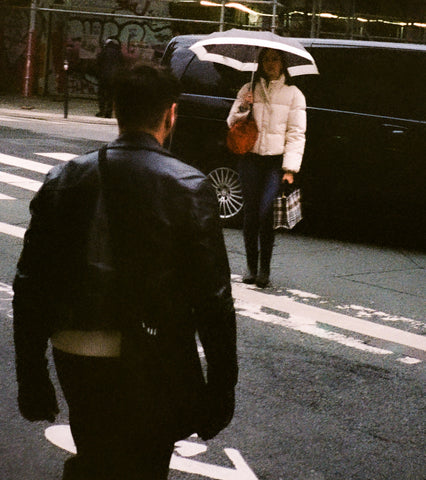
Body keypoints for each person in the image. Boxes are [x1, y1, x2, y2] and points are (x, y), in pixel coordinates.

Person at [13, 64, 238, 480]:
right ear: (171, 114)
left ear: (116, 109)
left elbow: (31, 281)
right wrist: (222, 389)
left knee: (94, 445)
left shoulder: (65, 176)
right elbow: (214, 299)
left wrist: (31, 373)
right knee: (145, 461)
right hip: (153, 352)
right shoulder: (187, 185)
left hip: (74, 343)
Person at [227, 48, 307, 288]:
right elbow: (231, 121)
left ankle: (265, 268)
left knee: (266, 212)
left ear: (283, 64)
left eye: (275, 59)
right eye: (266, 59)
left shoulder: (294, 94)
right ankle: (252, 267)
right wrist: (244, 106)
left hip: (275, 162)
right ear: (260, 62)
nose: (270, 63)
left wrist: (290, 169)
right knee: (250, 213)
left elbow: (296, 134)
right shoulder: (248, 88)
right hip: (250, 159)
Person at [96, 38, 124, 118]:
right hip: (114, 77)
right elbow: (122, 64)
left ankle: (102, 111)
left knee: (102, 94)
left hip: (104, 76)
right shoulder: (118, 52)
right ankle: (108, 112)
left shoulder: (104, 51)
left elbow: (98, 62)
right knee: (111, 95)